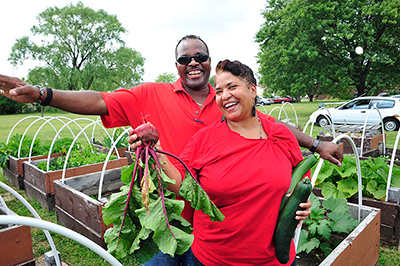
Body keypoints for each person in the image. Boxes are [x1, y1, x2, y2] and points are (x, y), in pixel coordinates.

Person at [0, 35, 341, 265]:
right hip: (166, 215)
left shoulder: (228, 103)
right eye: (184, 58)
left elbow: (276, 129)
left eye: (200, 57)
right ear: (177, 65)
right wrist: (43, 94)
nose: (193, 62)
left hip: (216, 225)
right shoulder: (152, 94)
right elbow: (100, 101)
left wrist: (316, 144)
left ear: (210, 63)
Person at [158, 59, 307, 265]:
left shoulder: (280, 136)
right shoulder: (204, 140)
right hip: (212, 258)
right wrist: (157, 154)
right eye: (218, 91)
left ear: (253, 90)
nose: (224, 96)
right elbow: (180, 186)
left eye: (232, 87)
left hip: (274, 259)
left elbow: (300, 176)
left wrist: (302, 205)